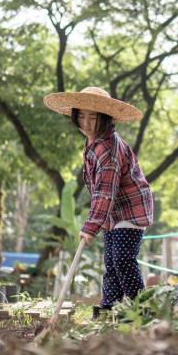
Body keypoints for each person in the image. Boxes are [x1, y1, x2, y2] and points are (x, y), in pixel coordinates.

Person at [44, 86, 154, 317]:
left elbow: (105, 191)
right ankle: (108, 308)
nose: (86, 122)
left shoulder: (108, 148)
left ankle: (142, 311)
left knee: (123, 259)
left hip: (130, 210)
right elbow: (99, 192)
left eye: (93, 117)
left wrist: (90, 227)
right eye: (81, 116)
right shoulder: (93, 143)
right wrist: (98, 222)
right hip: (112, 212)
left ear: (105, 118)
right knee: (111, 263)